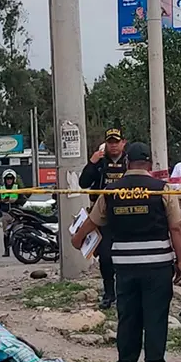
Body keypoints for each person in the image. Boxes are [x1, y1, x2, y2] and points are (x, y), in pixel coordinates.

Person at [72, 141, 181, 362]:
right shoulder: (161, 189)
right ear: (150, 164)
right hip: (157, 264)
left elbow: (93, 221)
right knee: (155, 317)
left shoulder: (111, 191)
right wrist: (180, 261)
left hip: (124, 265)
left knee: (128, 317)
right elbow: (175, 228)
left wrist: (77, 239)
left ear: (127, 162)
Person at [78, 128, 128, 309]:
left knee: (125, 256)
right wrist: (91, 163)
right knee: (105, 257)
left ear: (123, 142)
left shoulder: (129, 162)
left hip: (126, 214)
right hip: (103, 216)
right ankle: (108, 294)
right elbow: (83, 183)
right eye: (110, 142)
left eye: (116, 142)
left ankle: (124, 292)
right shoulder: (99, 162)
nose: (113, 145)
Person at [0, 168, 25, 258]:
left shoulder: (17, 188)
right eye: (7, 179)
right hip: (5, 213)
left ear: (14, 179)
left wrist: (15, 201)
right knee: (6, 233)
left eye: (11, 179)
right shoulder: (0, 188)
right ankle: (6, 251)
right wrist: (3, 201)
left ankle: (18, 251)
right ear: (4, 179)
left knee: (18, 232)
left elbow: (23, 200)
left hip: (16, 213)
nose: (9, 180)